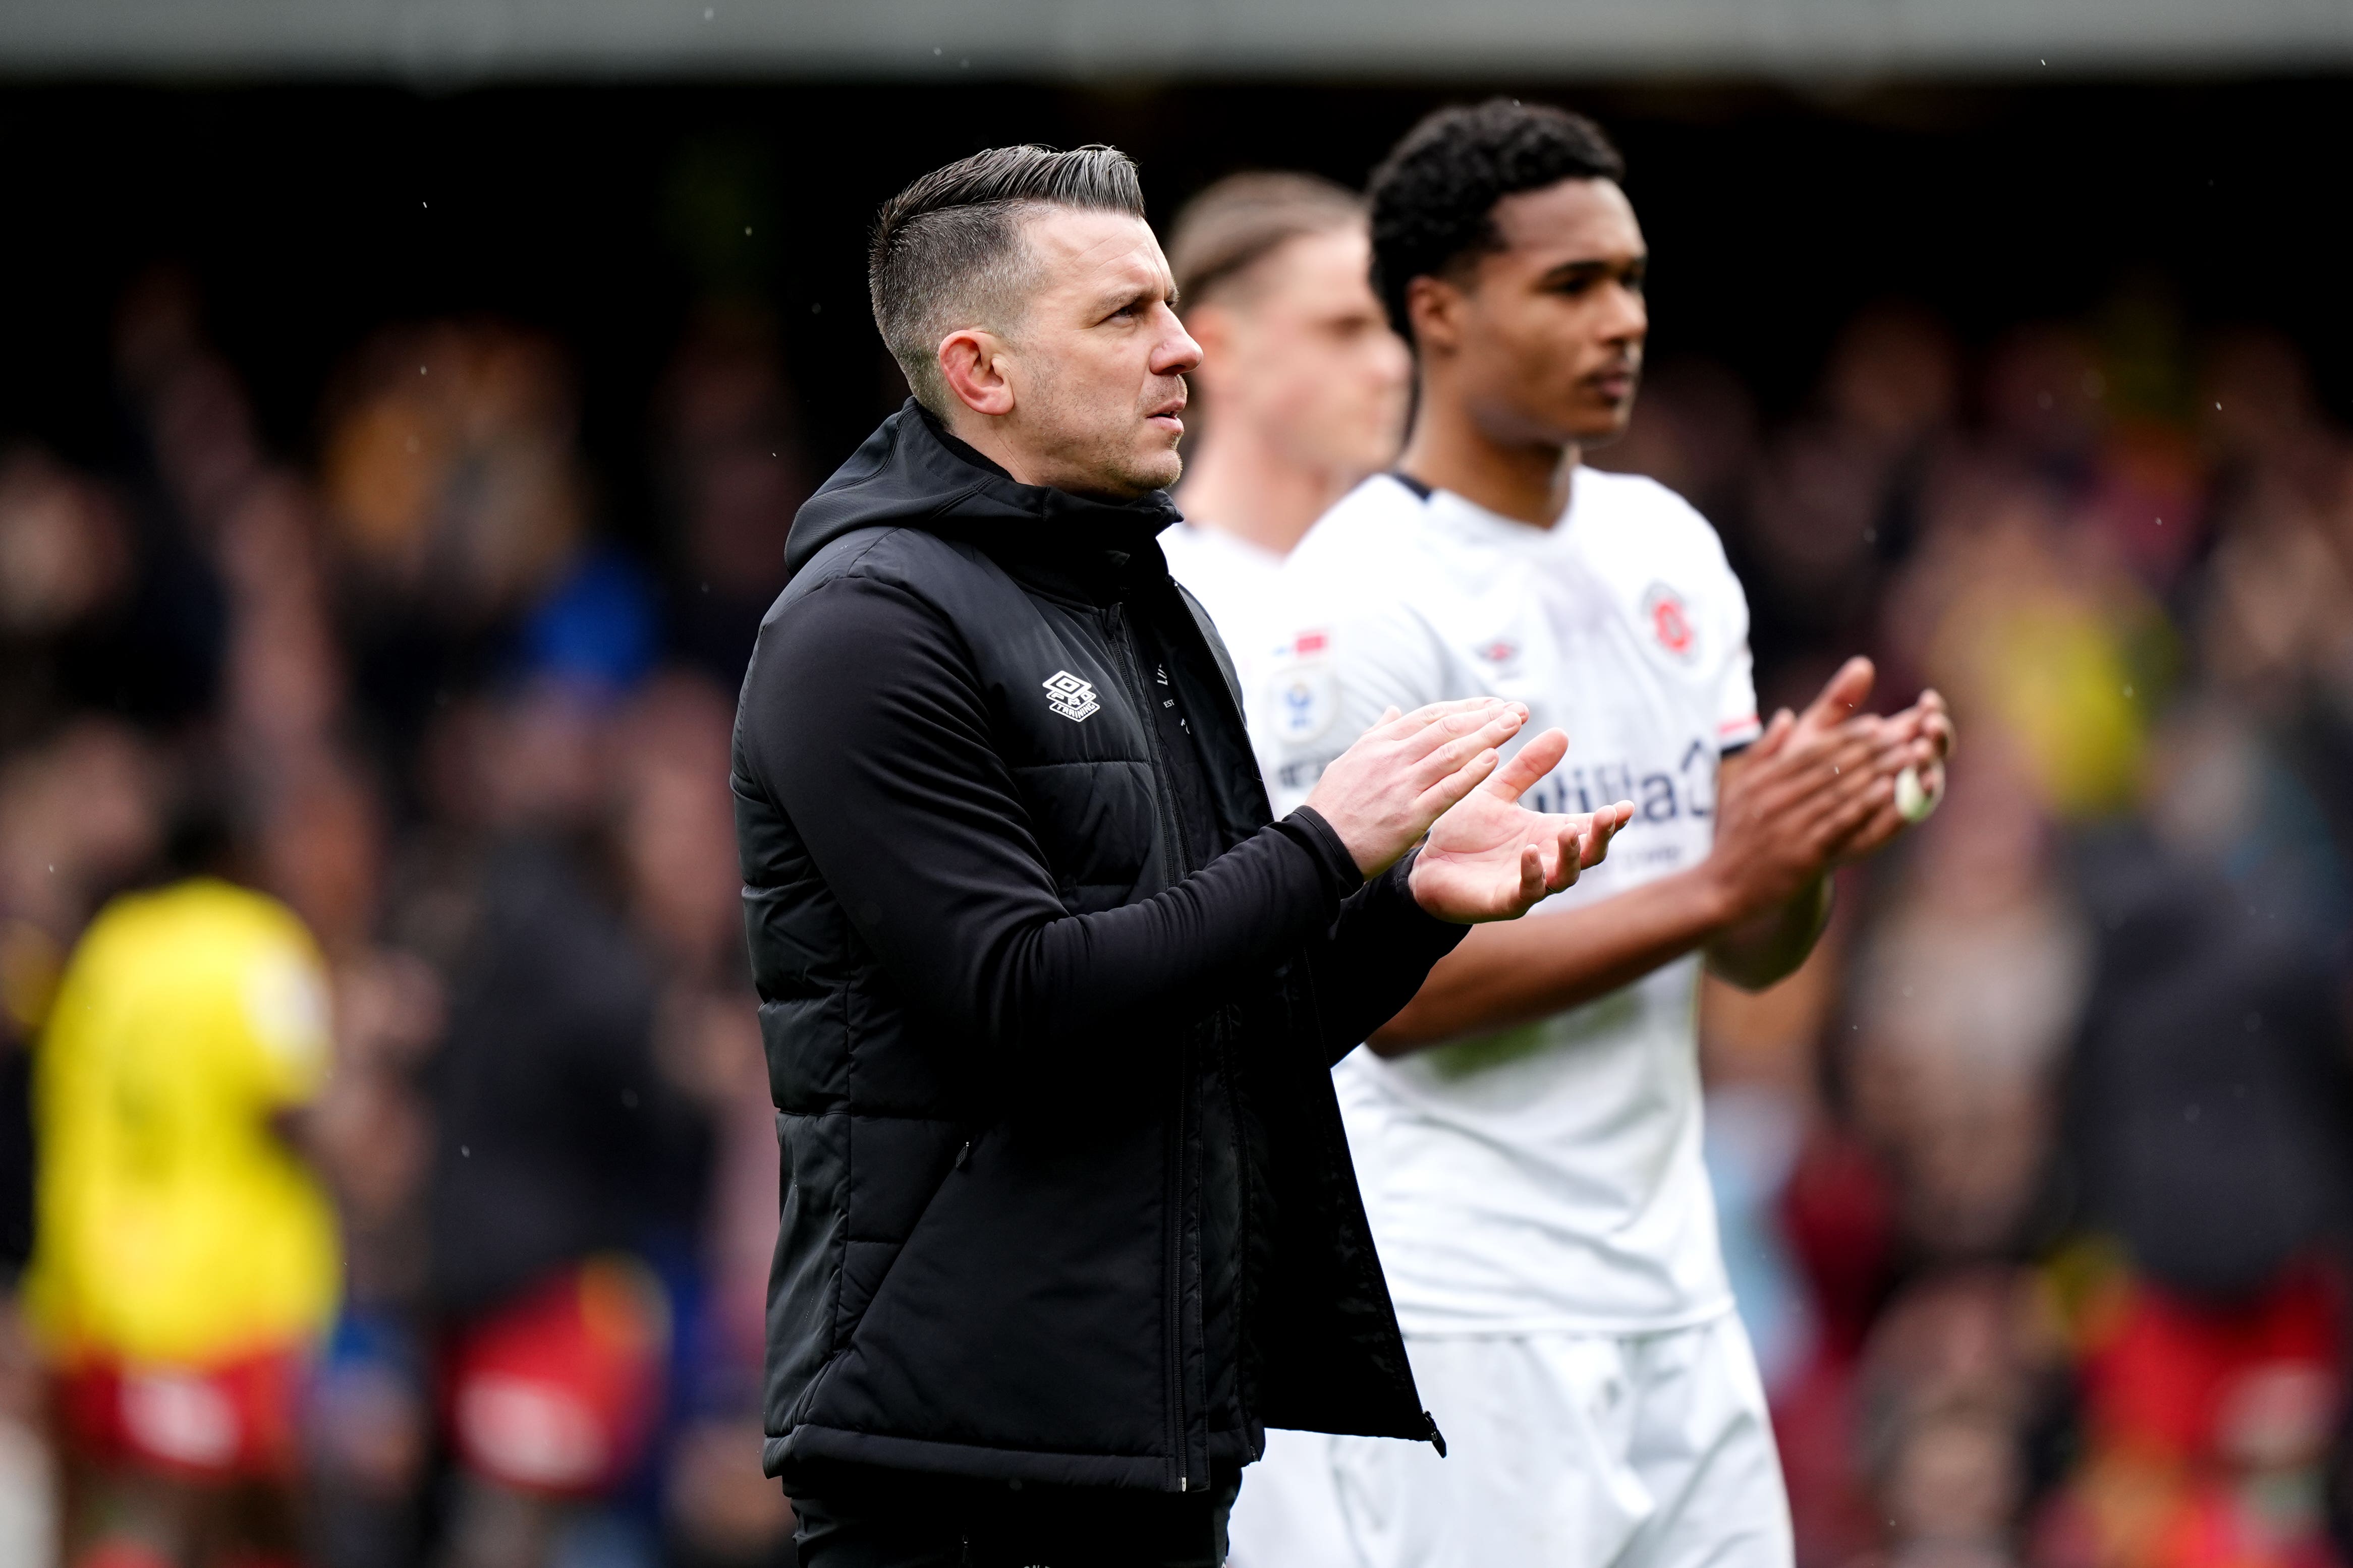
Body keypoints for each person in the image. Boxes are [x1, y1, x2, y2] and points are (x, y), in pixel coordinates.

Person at [729, 142, 1639, 1567]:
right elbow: (1022, 998)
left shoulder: (1141, 605)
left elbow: (1226, 1027)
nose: (1182, 350)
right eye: (1126, 316)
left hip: (1156, 1446)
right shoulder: (863, 627)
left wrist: (1409, 906)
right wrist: (1329, 841)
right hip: (954, 1469)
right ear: (980, 369)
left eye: (1171, 305)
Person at [1230, 100, 1955, 1568]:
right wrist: (1717, 886)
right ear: (1435, 311)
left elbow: (1752, 952)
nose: (1619, 319)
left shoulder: (1665, 546)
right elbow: (1388, 1002)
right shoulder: (1357, 594)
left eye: (1628, 278)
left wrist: (1802, 844)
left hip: (1677, 1282)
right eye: (1569, 286)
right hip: (1466, 1301)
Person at [23, 799, 339, 1568]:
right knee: (247, 1524)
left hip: (96, 1290)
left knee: (110, 1518)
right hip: (224, 1300)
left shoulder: (107, 950)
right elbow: (298, 1107)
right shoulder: (259, 949)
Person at [1158, 172, 1412, 695]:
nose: (1392, 366)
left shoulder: (1436, 578)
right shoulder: (1145, 598)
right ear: (1218, 347)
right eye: (1344, 329)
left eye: (1394, 329)